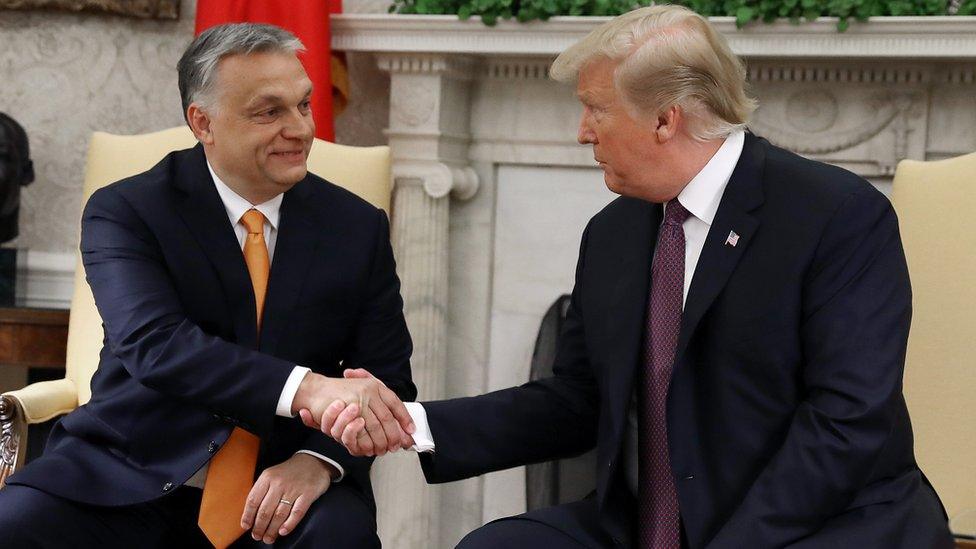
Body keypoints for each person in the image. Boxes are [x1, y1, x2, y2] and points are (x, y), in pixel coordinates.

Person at [327, 6, 954, 548]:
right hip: (647, 526)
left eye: (595, 109)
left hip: (812, 526)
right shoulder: (614, 232)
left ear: (665, 119)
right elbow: (575, 400)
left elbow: (845, 423)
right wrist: (413, 423)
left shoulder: (837, 215)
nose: (581, 133)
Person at [0, 23, 416, 549]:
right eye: (270, 112)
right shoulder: (128, 211)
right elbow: (158, 346)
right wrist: (310, 386)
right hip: (129, 468)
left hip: (283, 482)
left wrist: (318, 461)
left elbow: (388, 379)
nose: (301, 129)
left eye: (304, 105)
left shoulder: (358, 225)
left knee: (340, 536)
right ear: (203, 122)